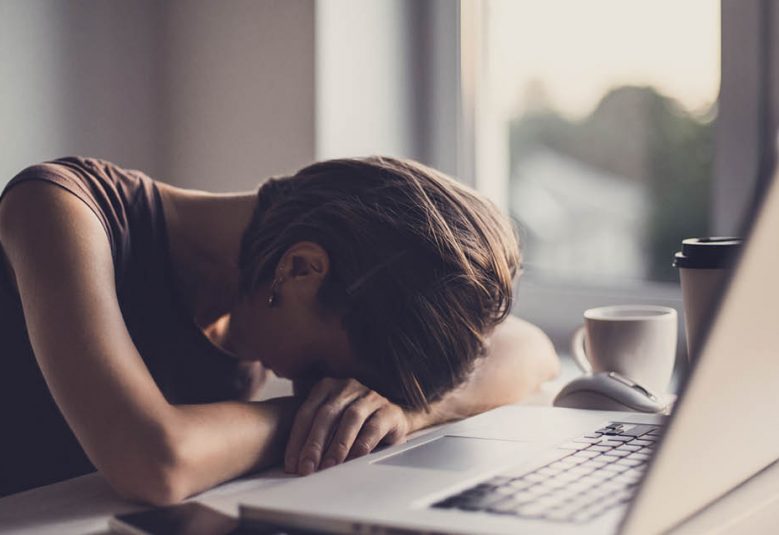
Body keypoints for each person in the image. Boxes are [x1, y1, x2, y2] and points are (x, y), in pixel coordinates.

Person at [0, 155, 559, 504]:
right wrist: (311, 419)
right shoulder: (58, 208)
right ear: (301, 268)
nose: (315, 389)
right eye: (323, 375)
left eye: (327, 388)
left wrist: (404, 410)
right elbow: (153, 462)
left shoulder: (253, 298)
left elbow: (529, 349)